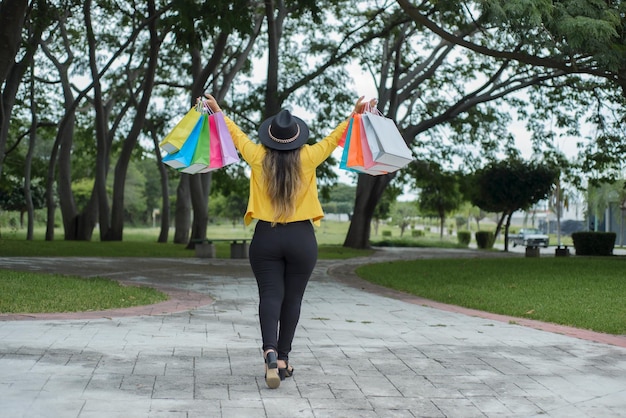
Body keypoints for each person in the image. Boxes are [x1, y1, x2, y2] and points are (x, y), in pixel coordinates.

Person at [203, 93, 374, 389]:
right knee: (292, 299)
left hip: (266, 237)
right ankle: (283, 360)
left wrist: (217, 112)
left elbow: (235, 133)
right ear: (297, 138)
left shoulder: (257, 156)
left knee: (270, 296)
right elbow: (337, 137)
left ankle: (269, 352)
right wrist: (356, 114)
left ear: (269, 138)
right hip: (301, 238)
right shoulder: (309, 157)